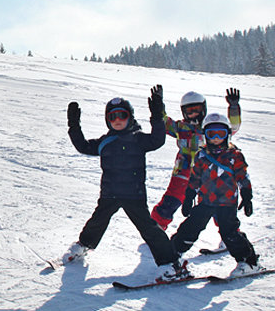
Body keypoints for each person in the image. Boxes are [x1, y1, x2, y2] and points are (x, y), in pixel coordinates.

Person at [64, 88, 188, 281]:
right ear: (107, 120)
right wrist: (74, 125)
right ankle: (84, 245)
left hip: (134, 195)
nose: (118, 120)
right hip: (109, 194)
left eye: (122, 115)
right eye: (113, 117)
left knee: (149, 229)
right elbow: (83, 146)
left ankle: (171, 264)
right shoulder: (105, 142)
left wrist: (157, 114)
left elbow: (158, 140)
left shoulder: (138, 139)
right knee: (98, 221)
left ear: (130, 117)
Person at [170, 113, 260, 276]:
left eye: (221, 134)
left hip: (227, 203)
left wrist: (247, 196)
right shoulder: (201, 156)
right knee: (191, 227)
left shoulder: (234, 156)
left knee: (229, 232)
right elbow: (195, 177)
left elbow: (242, 176)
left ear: (227, 135)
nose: (216, 138)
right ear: (205, 135)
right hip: (205, 201)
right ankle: (172, 255)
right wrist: (189, 196)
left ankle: (248, 262)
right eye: (212, 134)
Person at [150, 89, 241, 231]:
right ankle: (156, 227)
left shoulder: (210, 127)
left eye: (196, 110)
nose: (193, 115)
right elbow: (164, 124)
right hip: (184, 171)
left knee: (216, 203)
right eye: (189, 111)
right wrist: (158, 108)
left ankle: (228, 233)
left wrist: (234, 108)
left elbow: (232, 127)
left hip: (208, 173)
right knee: (172, 199)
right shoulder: (181, 127)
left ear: (203, 109)